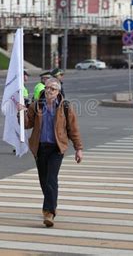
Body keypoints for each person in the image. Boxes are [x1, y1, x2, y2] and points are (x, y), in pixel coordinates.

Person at [21, 78, 83, 228]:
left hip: (56, 148)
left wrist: (78, 149)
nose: (49, 91)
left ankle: (49, 212)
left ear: (58, 92)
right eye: (47, 88)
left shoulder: (65, 107)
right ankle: (51, 203)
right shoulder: (37, 106)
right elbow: (27, 124)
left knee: (51, 179)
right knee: (44, 180)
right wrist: (21, 113)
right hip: (40, 148)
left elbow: (73, 129)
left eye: (53, 89)